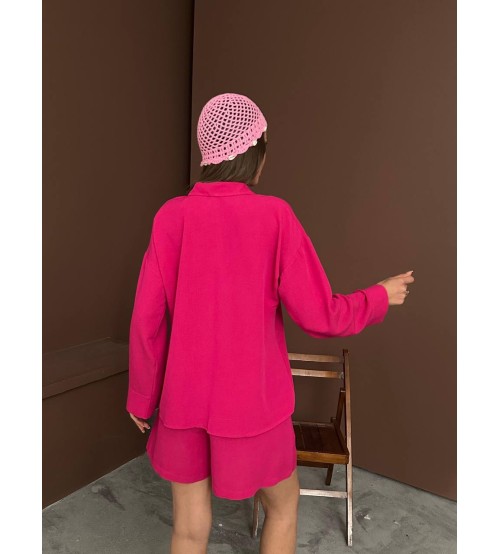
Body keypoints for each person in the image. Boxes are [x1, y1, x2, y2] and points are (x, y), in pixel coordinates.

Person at [126, 92, 415, 554]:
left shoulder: (170, 217)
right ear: (254, 151)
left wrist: (142, 397)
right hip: (253, 406)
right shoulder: (274, 216)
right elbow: (320, 315)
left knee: (188, 529)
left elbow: (146, 319)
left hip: (184, 402)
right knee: (283, 507)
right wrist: (378, 296)